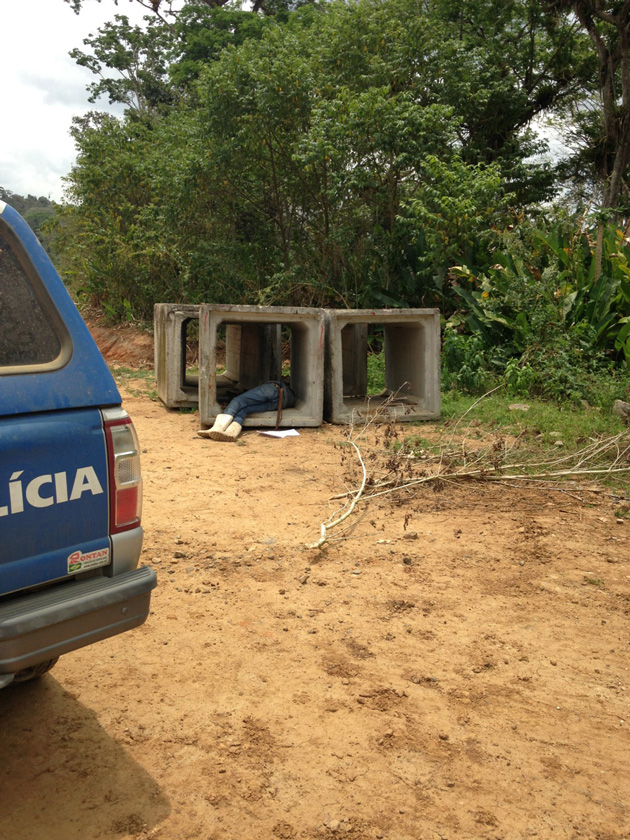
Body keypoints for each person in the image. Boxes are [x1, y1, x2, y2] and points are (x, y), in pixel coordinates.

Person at [198, 380, 296, 441]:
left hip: (274, 389)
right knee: (244, 410)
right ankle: (231, 433)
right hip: (282, 402)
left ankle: (217, 428)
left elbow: (240, 400)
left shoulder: (267, 388)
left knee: (238, 400)